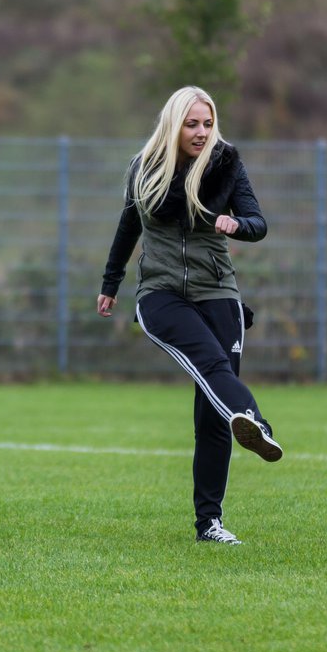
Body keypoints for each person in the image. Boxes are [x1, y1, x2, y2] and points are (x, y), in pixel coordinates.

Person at [97, 85, 281, 546]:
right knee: (212, 365)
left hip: (219, 291)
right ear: (173, 124)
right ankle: (257, 422)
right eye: (192, 123)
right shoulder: (144, 169)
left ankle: (210, 525)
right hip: (160, 294)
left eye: (207, 123)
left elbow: (258, 223)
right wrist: (110, 282)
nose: (201, 132)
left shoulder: (226, 165)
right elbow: (127, 226)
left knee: (213, 414)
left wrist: (236, 224)